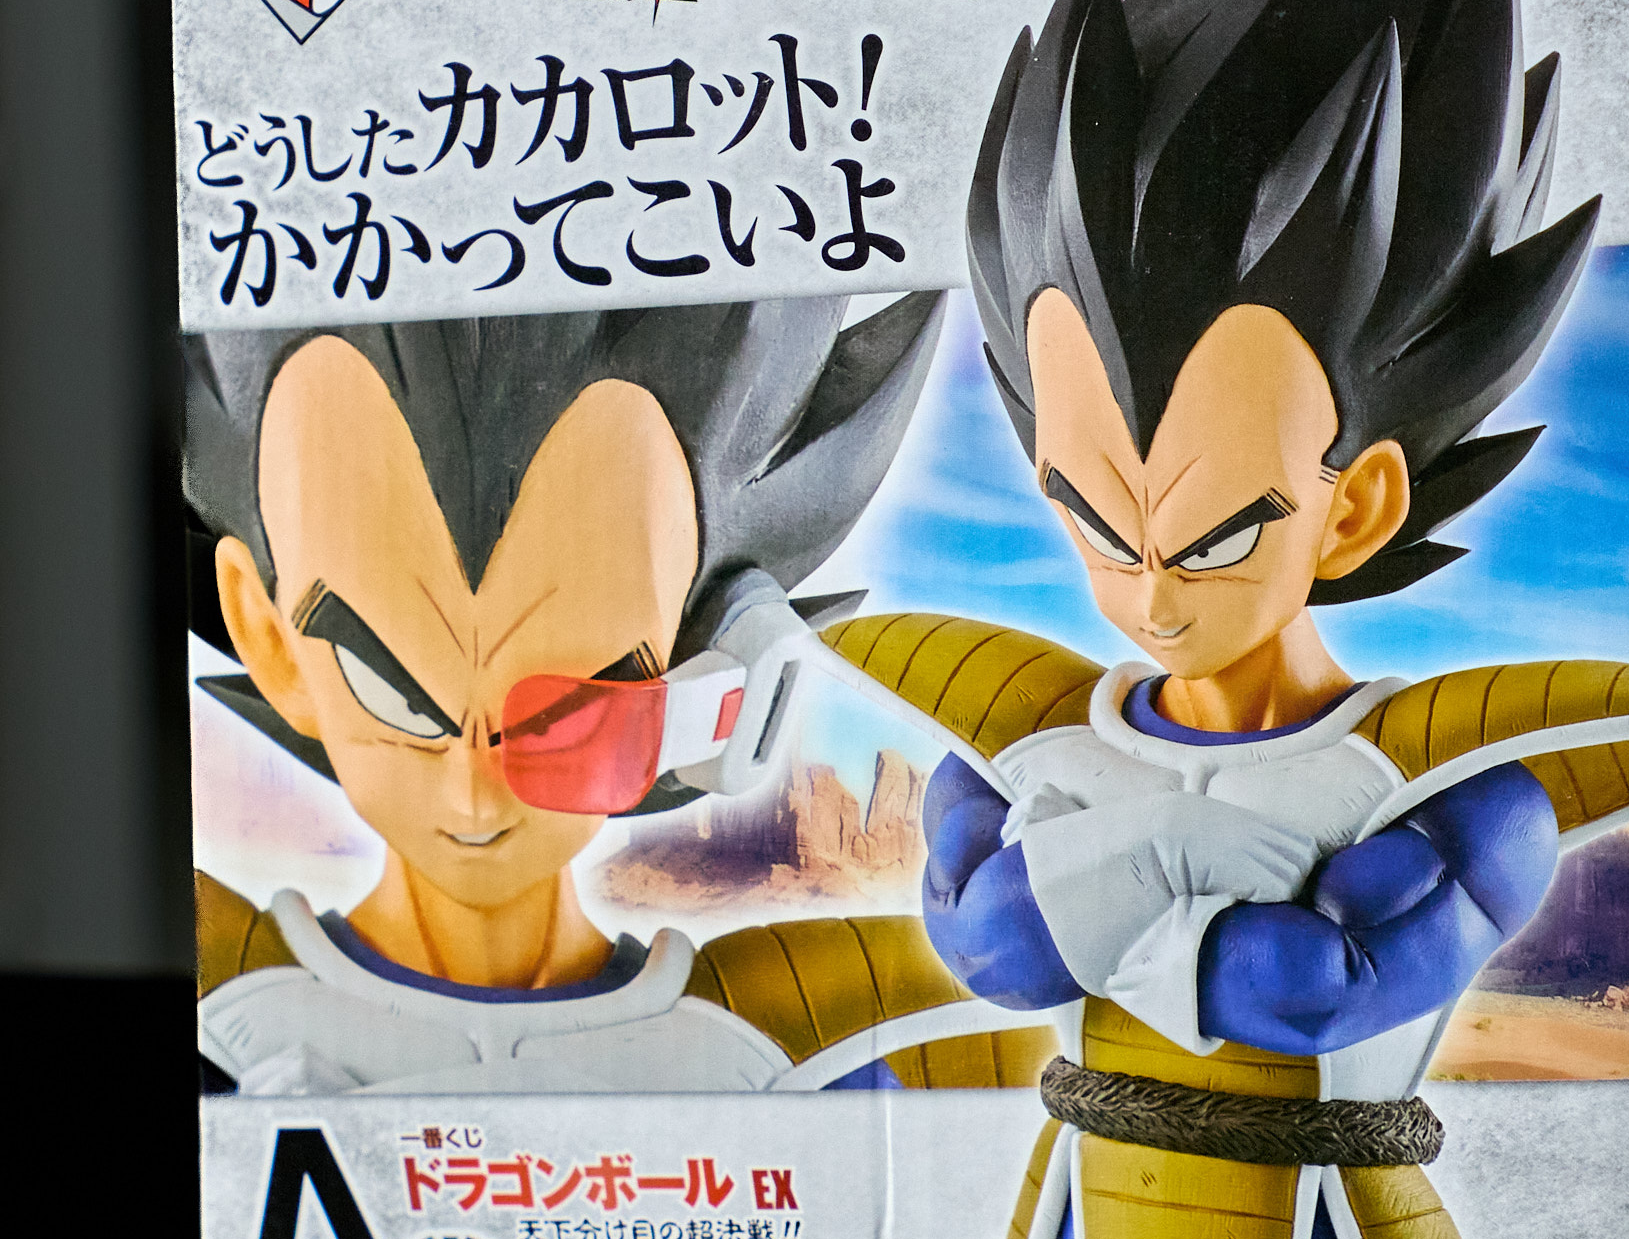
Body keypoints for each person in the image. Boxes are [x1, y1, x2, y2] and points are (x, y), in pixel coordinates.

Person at [819, 0, 1629, 1239]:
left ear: (1357, 502)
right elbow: (993, 943)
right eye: (1085, 509)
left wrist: (1107, 879)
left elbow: (1313, 987)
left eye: (1208, 530)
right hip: (1104, 1223)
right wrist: (1170, 888)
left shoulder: (1456, 775)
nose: (1139, 587)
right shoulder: (1022, 722)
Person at [188, 294, 1050, 1095]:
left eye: (560, 717)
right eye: (399, 700)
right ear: (268, 636)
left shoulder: (797, 1030)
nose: (473, 791)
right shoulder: (221, 1001)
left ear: (720, 668)